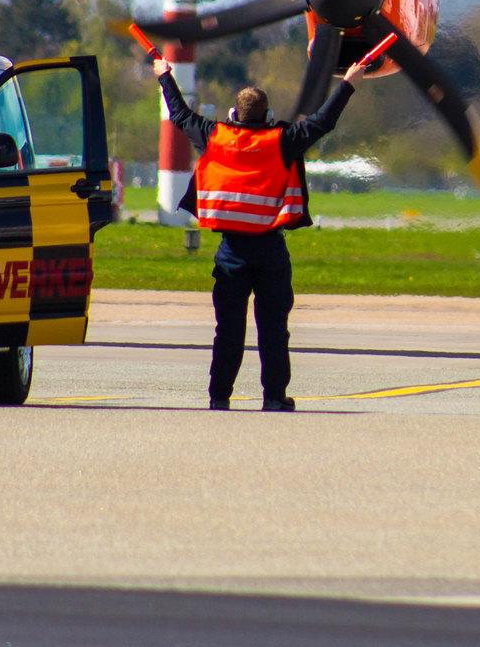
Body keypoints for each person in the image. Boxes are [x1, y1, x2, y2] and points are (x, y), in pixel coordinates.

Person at [155, 54, 369, 411]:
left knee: (228, 331)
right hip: (270, 252)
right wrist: (347, 82)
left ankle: (219, 396)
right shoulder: (282, 139)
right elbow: (322, 122)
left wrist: (165, 76)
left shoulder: (214, 137)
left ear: (233, 115)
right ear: (268, 116)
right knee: (273, 331)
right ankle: (273, 397)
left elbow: (179, 115)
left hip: (230, 253)